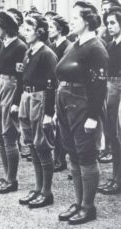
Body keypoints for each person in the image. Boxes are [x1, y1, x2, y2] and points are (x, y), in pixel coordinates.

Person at [56, 1, 108, 225]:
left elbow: (99, 86)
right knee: (73, 154)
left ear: (87, 21)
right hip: (67, 101)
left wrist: (93, 117)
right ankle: (78, 203)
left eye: (75, 18)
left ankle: (88, 207)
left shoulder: (96, 47)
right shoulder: (75, 44)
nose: (71, 21)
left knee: (86, 155)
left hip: (83, 105)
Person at [18, 14, 57, 208]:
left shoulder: (47, 53)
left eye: (28, 29)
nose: (24, 33)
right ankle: (38, 187)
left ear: (39, 32)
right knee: (31, 144)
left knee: (41, 144)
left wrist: (49, 113)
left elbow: (52, 85)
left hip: (40, 98)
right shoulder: (29, 51)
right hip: (27, 97)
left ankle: (46, 191)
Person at [0, 11, 27, 194]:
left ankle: (12, 179)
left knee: (8, 134)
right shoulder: (4, 44)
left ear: (5, 27)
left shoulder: (20, 46)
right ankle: (6, 176)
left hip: (11, 87)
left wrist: (16, 102)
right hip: (0, 84)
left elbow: (21, 78)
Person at [97, 6, 121, 195]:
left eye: (113, 22)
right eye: (108, 23)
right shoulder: (111, 44)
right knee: (112, 135)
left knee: (118, 135)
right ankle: (115, 177)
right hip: (109, 88)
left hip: (118, 89)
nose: (109, 26)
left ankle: (118, 179)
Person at [48, 15, 71, 173]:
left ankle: (61, 159)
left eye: (51, 27)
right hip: (54, 87)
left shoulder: (67, 47)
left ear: (60, 29)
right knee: (56, 125)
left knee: (63, 124)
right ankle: (58, 158)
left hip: (63, 88)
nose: (49, 30)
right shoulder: (53, 45)